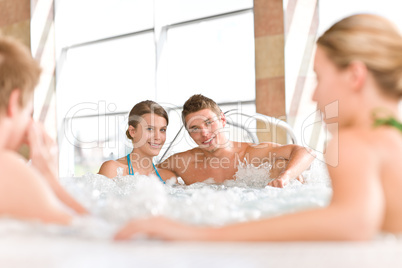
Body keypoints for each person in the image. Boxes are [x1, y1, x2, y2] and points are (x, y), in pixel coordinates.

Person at [115, 14, 402, 241]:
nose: (314, 95)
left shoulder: (349, 144)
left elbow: (351, 223)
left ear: (355, 76)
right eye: (194, 128)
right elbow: (147, 177)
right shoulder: (388, 135)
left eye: (318, 77)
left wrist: (202, 234)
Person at [0, 35, 87, 224]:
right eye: (28, 112)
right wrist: (50, 179)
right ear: (14, 103)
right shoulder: (6, 168)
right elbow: (97, 234)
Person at [157, 94, 314, 187]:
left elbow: (305, 152)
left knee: (285, 168)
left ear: (222, 120)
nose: (204, 133)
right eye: (195, 128)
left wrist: (285, 176)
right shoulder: (185, 163)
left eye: (208, 123)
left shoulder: (251, 154)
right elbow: (147, 173)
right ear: (190, 134)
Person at [98, 100, 176, 182]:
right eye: (150, 129)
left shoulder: (168, 177)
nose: (158, 137)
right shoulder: (113, 170)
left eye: (162, 130)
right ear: (132, 131)